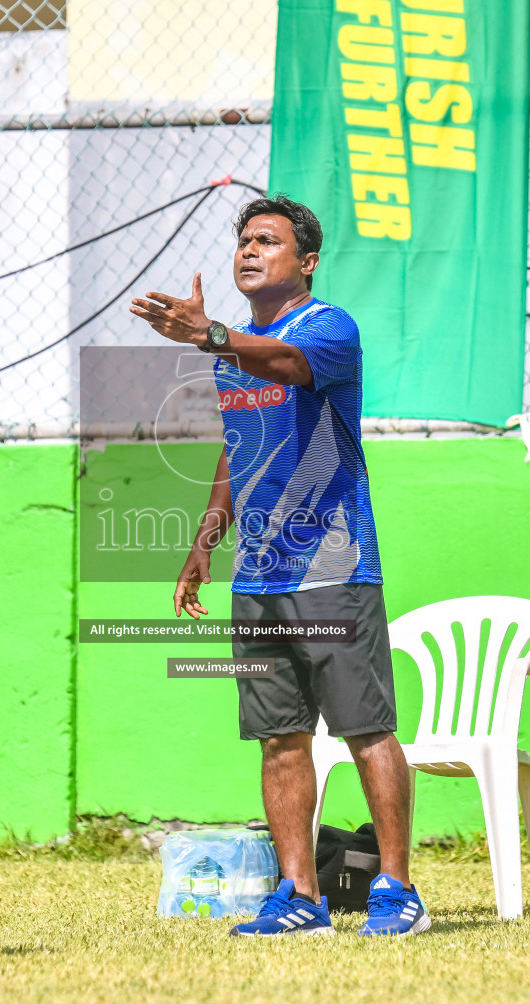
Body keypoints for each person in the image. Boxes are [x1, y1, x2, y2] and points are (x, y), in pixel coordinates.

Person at [132, 195, 426, 938]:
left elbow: (292, 367)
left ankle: (398, 889)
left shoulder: (325, 328)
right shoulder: (234, 352)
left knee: (367, 729)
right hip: (258, 578)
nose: (249, 251)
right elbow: (240, 449)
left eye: (268, 240)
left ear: (306, 260)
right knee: (280, 737)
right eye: (243, 241)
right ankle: (300, 897)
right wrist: (204, 544)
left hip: (333, 566)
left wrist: (213, 334)